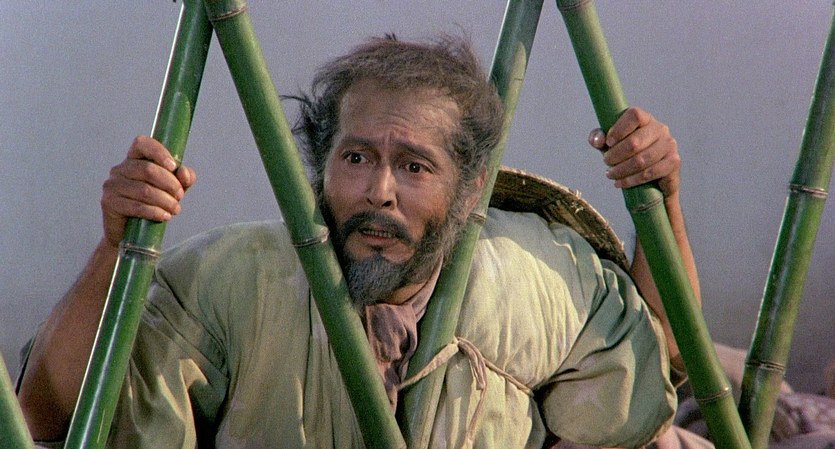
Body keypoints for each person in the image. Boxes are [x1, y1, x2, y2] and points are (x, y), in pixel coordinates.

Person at [17, 35, 699, 448]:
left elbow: (660, 361)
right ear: (319, 167)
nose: (379, 191)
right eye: (355, 157)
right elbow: (52, 414)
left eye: (414, 166)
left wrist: (660, 196)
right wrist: (116, 246)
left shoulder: (536, 274)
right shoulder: (233, 277)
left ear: (471, 190)